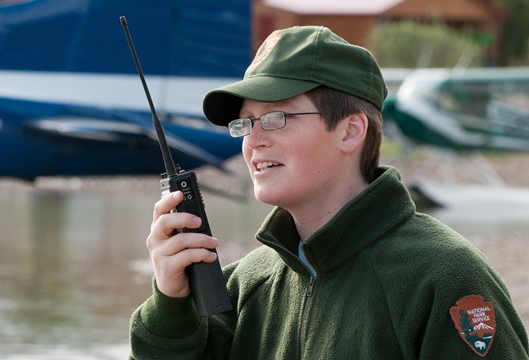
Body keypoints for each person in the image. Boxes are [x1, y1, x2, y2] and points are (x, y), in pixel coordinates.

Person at [129, 25, 529, 359]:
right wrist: (170, 304)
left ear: (351, 131)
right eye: (247, 123)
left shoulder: (444, 277)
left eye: (276, 117)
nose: (254, 142)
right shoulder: (244, 288)